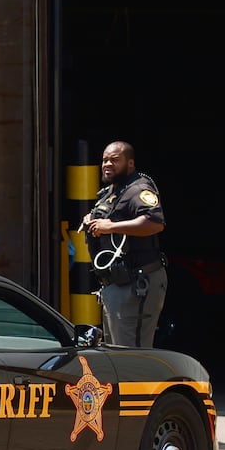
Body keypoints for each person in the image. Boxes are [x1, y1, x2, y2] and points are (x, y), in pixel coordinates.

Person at [82, 140, 168, 348]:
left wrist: (110, 226)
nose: (107, 164)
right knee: (117, 355)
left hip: (137, 283)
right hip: (116, 284)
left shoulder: (139, 188)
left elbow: (154, 222)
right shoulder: (112, 191)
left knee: (132, 357)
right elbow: (108, 217)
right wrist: (91, 219)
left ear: (130, 163)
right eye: (104, 160)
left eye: (114, 160)